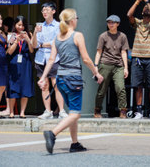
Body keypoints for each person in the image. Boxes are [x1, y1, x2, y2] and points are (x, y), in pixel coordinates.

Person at [39, 8, 103, 154]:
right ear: (73, 20)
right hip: (73, 78)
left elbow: (51, 60)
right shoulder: (77, 35)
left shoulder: (57, 38)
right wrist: (96, 73)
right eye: (77, 18)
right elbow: (86, 59)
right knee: (76, 114)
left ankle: (75, 143)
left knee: (72, 112)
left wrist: (43, 78)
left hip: (60, 78)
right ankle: (52, 134)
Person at [127, 0, 150, 120]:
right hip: (137, 57)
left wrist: (147, 2)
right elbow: (129, 15)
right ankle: (139, 111)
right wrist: (137, 1)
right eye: (144, 9)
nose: (146, 9)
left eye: (148, 8)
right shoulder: (138, 23)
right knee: (138, 86)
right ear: (141, 13)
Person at [32, 2, 67, 119]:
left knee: (56, 85)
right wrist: (35, 32)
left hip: (55, 58)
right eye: (43, 10)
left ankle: (61, 110)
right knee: (44, 85)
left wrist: (42, 45)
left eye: (47, 10)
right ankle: (48, 111)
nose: (44, 12)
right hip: (41, 59)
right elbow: (34, 45)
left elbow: (56, 42)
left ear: (53, 11)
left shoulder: (59, 26)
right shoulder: (39, 26)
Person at [93, 15, 130, 119]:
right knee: (102, 89)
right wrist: (96, 66)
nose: (111, 24)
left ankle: (123, 111)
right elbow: (99, 52)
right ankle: (97, 110)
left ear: (118, 24)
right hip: (105, 64)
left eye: (113, 22)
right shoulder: (103, 36)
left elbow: (124, 52)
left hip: (118, 65)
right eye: (109, 22)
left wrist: (125, 67)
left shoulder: (122, 36)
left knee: (120, 88)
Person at [6, 16, 34, 118]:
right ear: (15, 25)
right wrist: (16, 41)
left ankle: (22, 112)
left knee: (25, 86)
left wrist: (27, 39)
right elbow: (9, 52)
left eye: (22, 25)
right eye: (19, 25)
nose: (21, 27)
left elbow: (31, 50)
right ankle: (12, 112)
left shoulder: (29, 34)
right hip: (14, 63)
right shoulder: (11, 35)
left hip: (25, 63)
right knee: (13, 87)